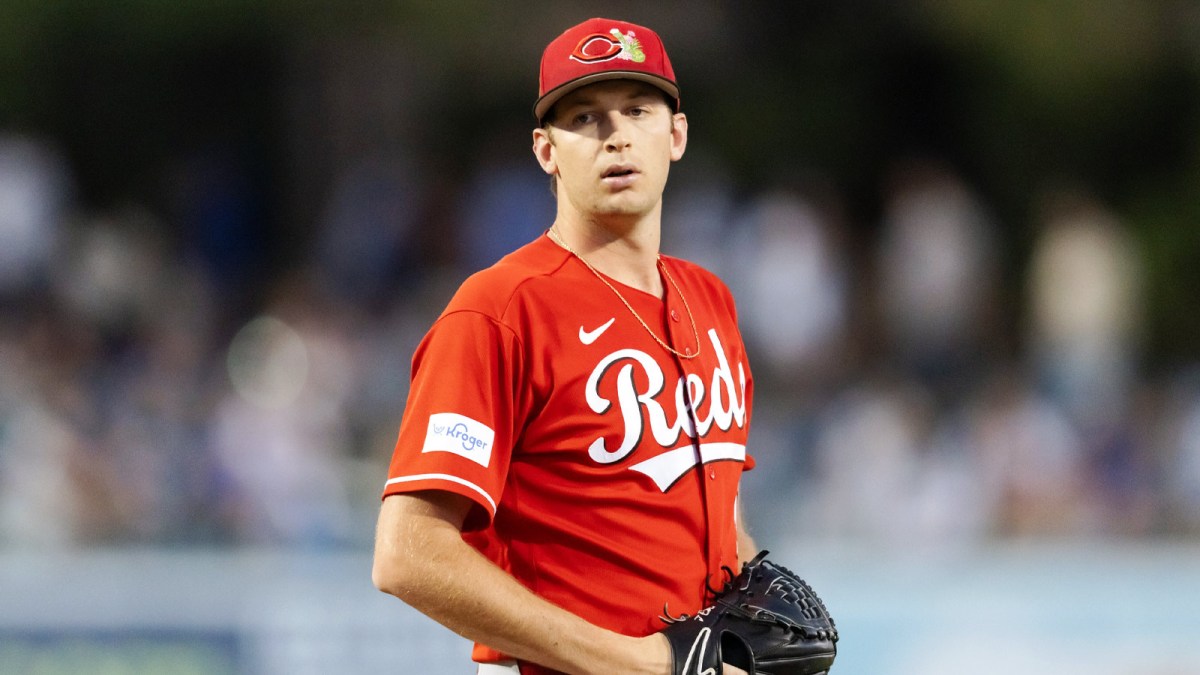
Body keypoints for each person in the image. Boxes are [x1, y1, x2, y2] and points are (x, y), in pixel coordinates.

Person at [373, 17, 757, 675]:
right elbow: (407, 552)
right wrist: (644, 663)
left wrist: (749, 619)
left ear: (677, 134)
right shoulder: (501, 309)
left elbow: (720, 512)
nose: (615, 136)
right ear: (546, 150)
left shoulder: (710, 299)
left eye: (637, 109)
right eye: (584, 118)